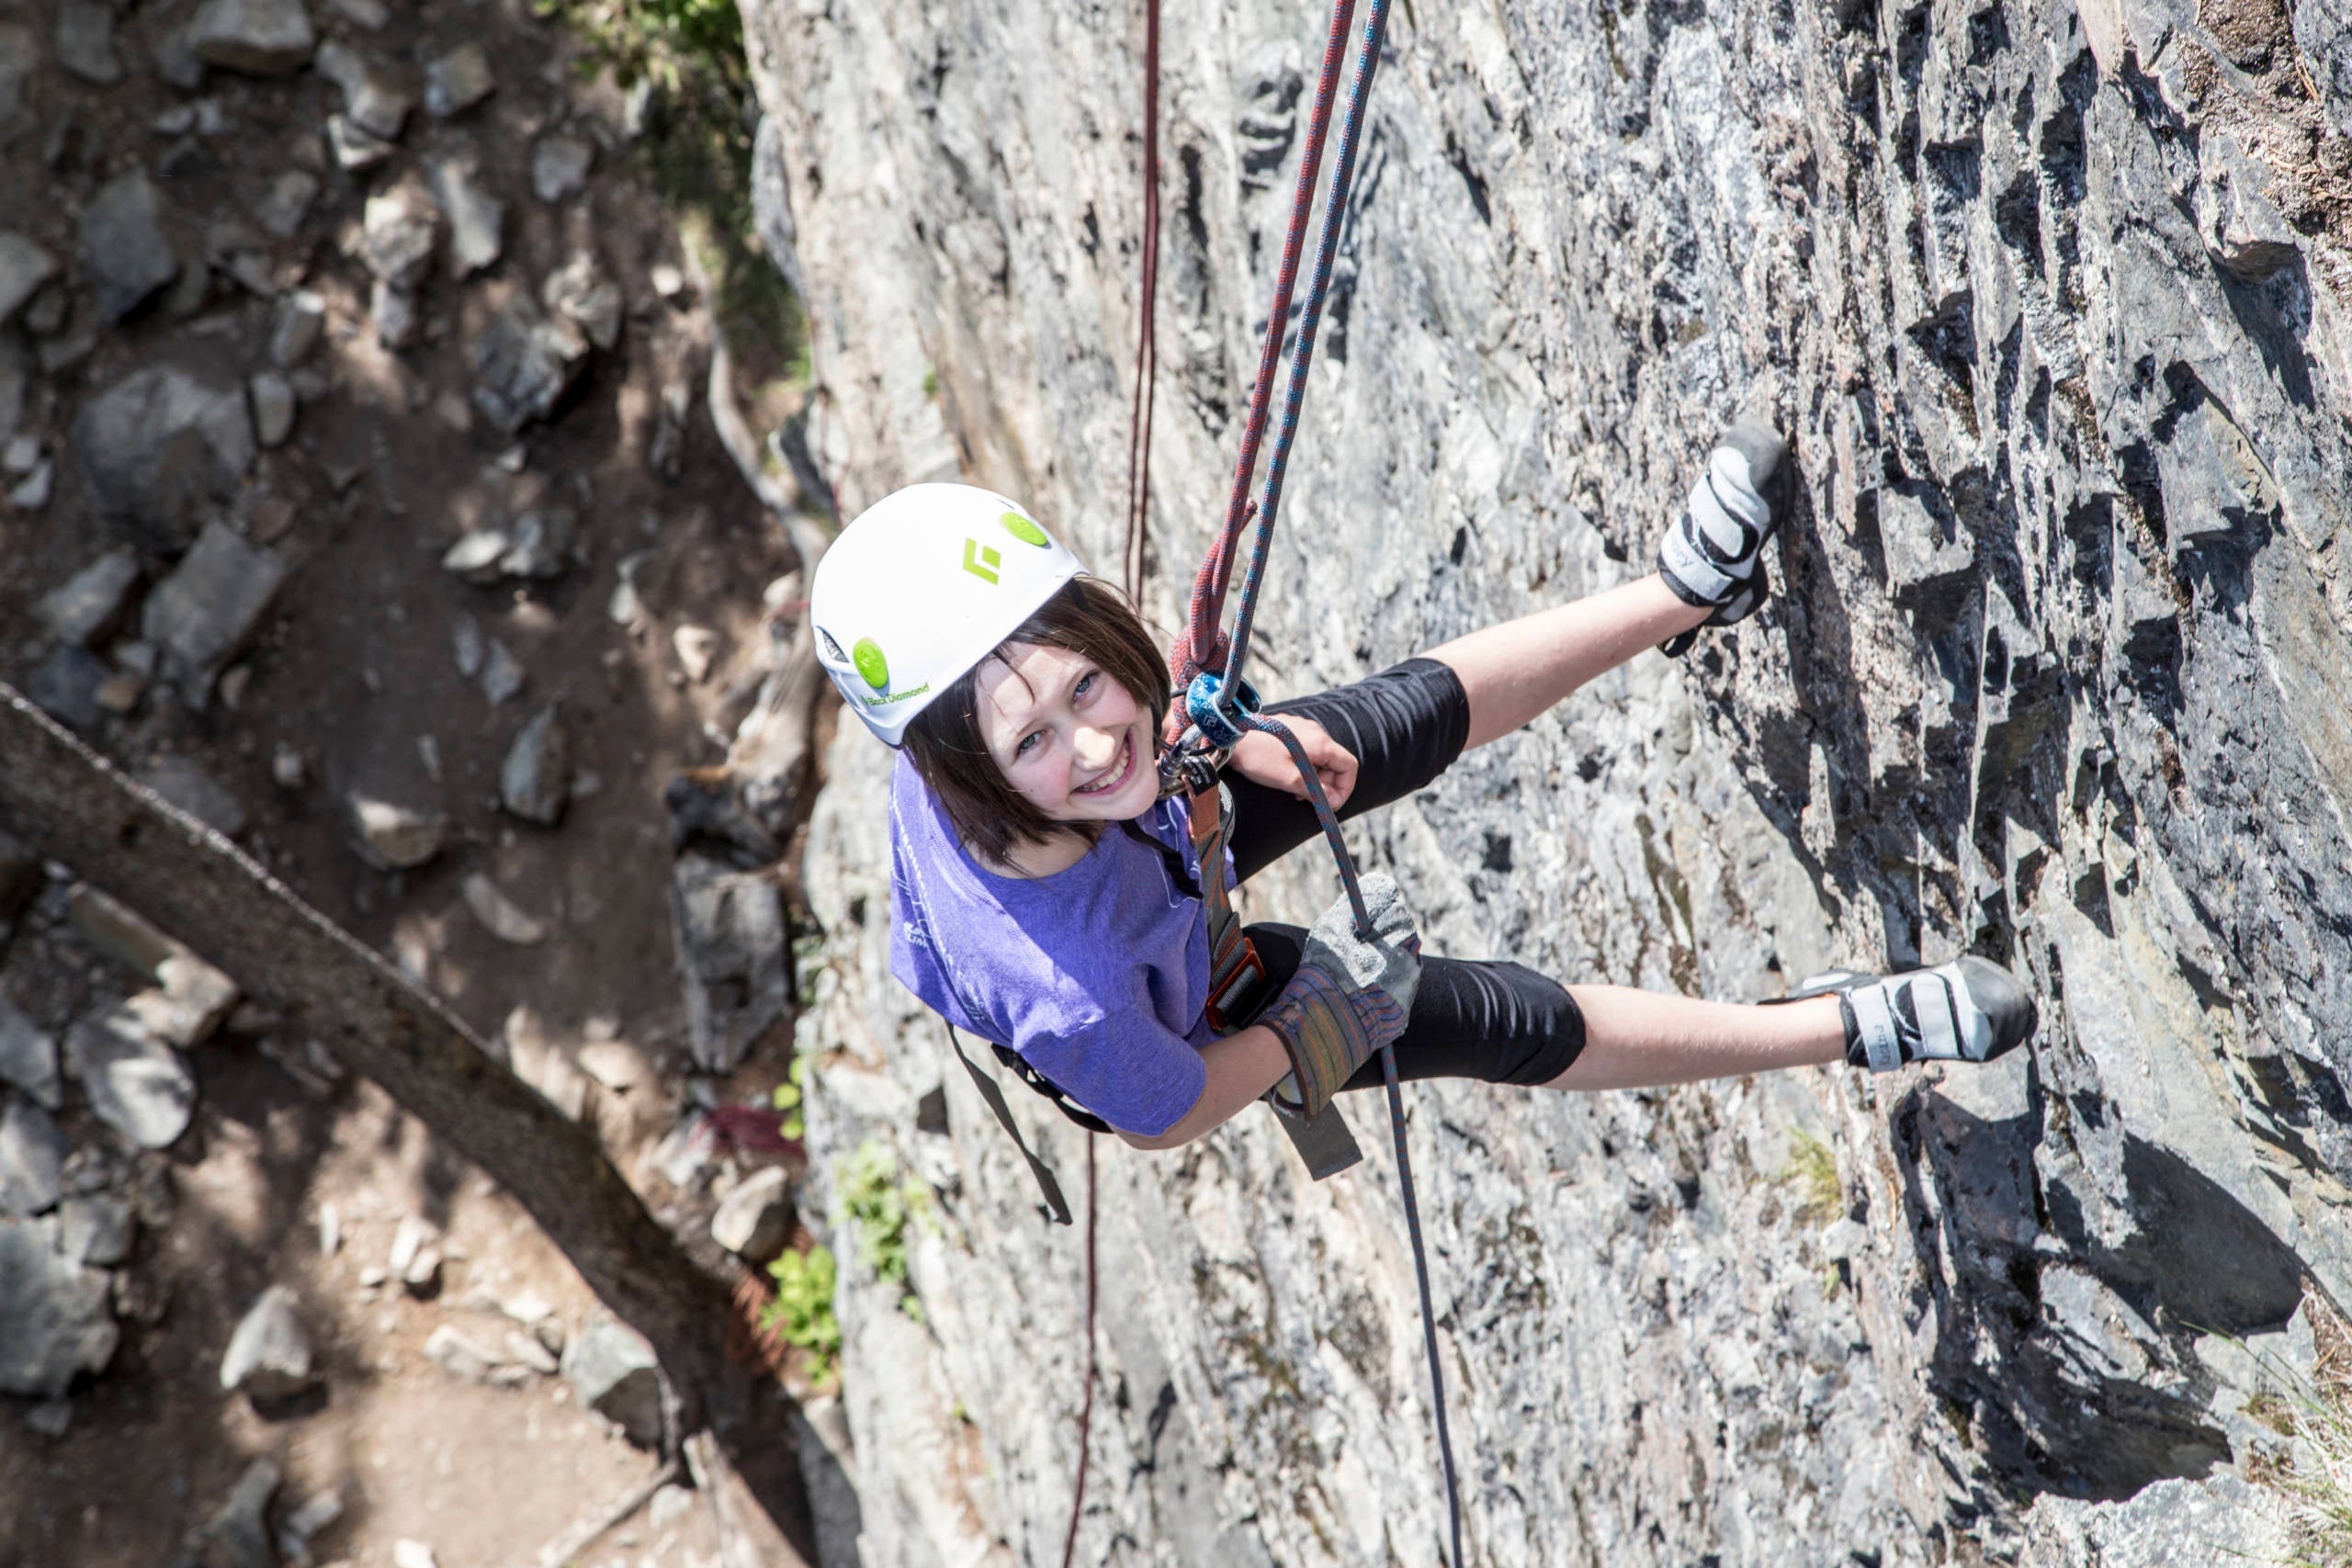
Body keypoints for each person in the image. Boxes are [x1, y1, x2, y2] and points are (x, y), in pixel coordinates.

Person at [807, 426, 2036, 1151]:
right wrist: (1309, 1018)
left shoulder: (986, 715)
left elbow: (1094, 737)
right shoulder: (1066, 997)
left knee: (1371, 730)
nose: (1087, 744)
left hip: (1146, 864)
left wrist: (1205, 740)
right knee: (1478, 1015)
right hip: (1193, 1022)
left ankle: (1689, 596)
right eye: (1036, 742)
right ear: (971, 770)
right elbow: (1165, 1116)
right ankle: (1847, 1028)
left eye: (1090, 687)